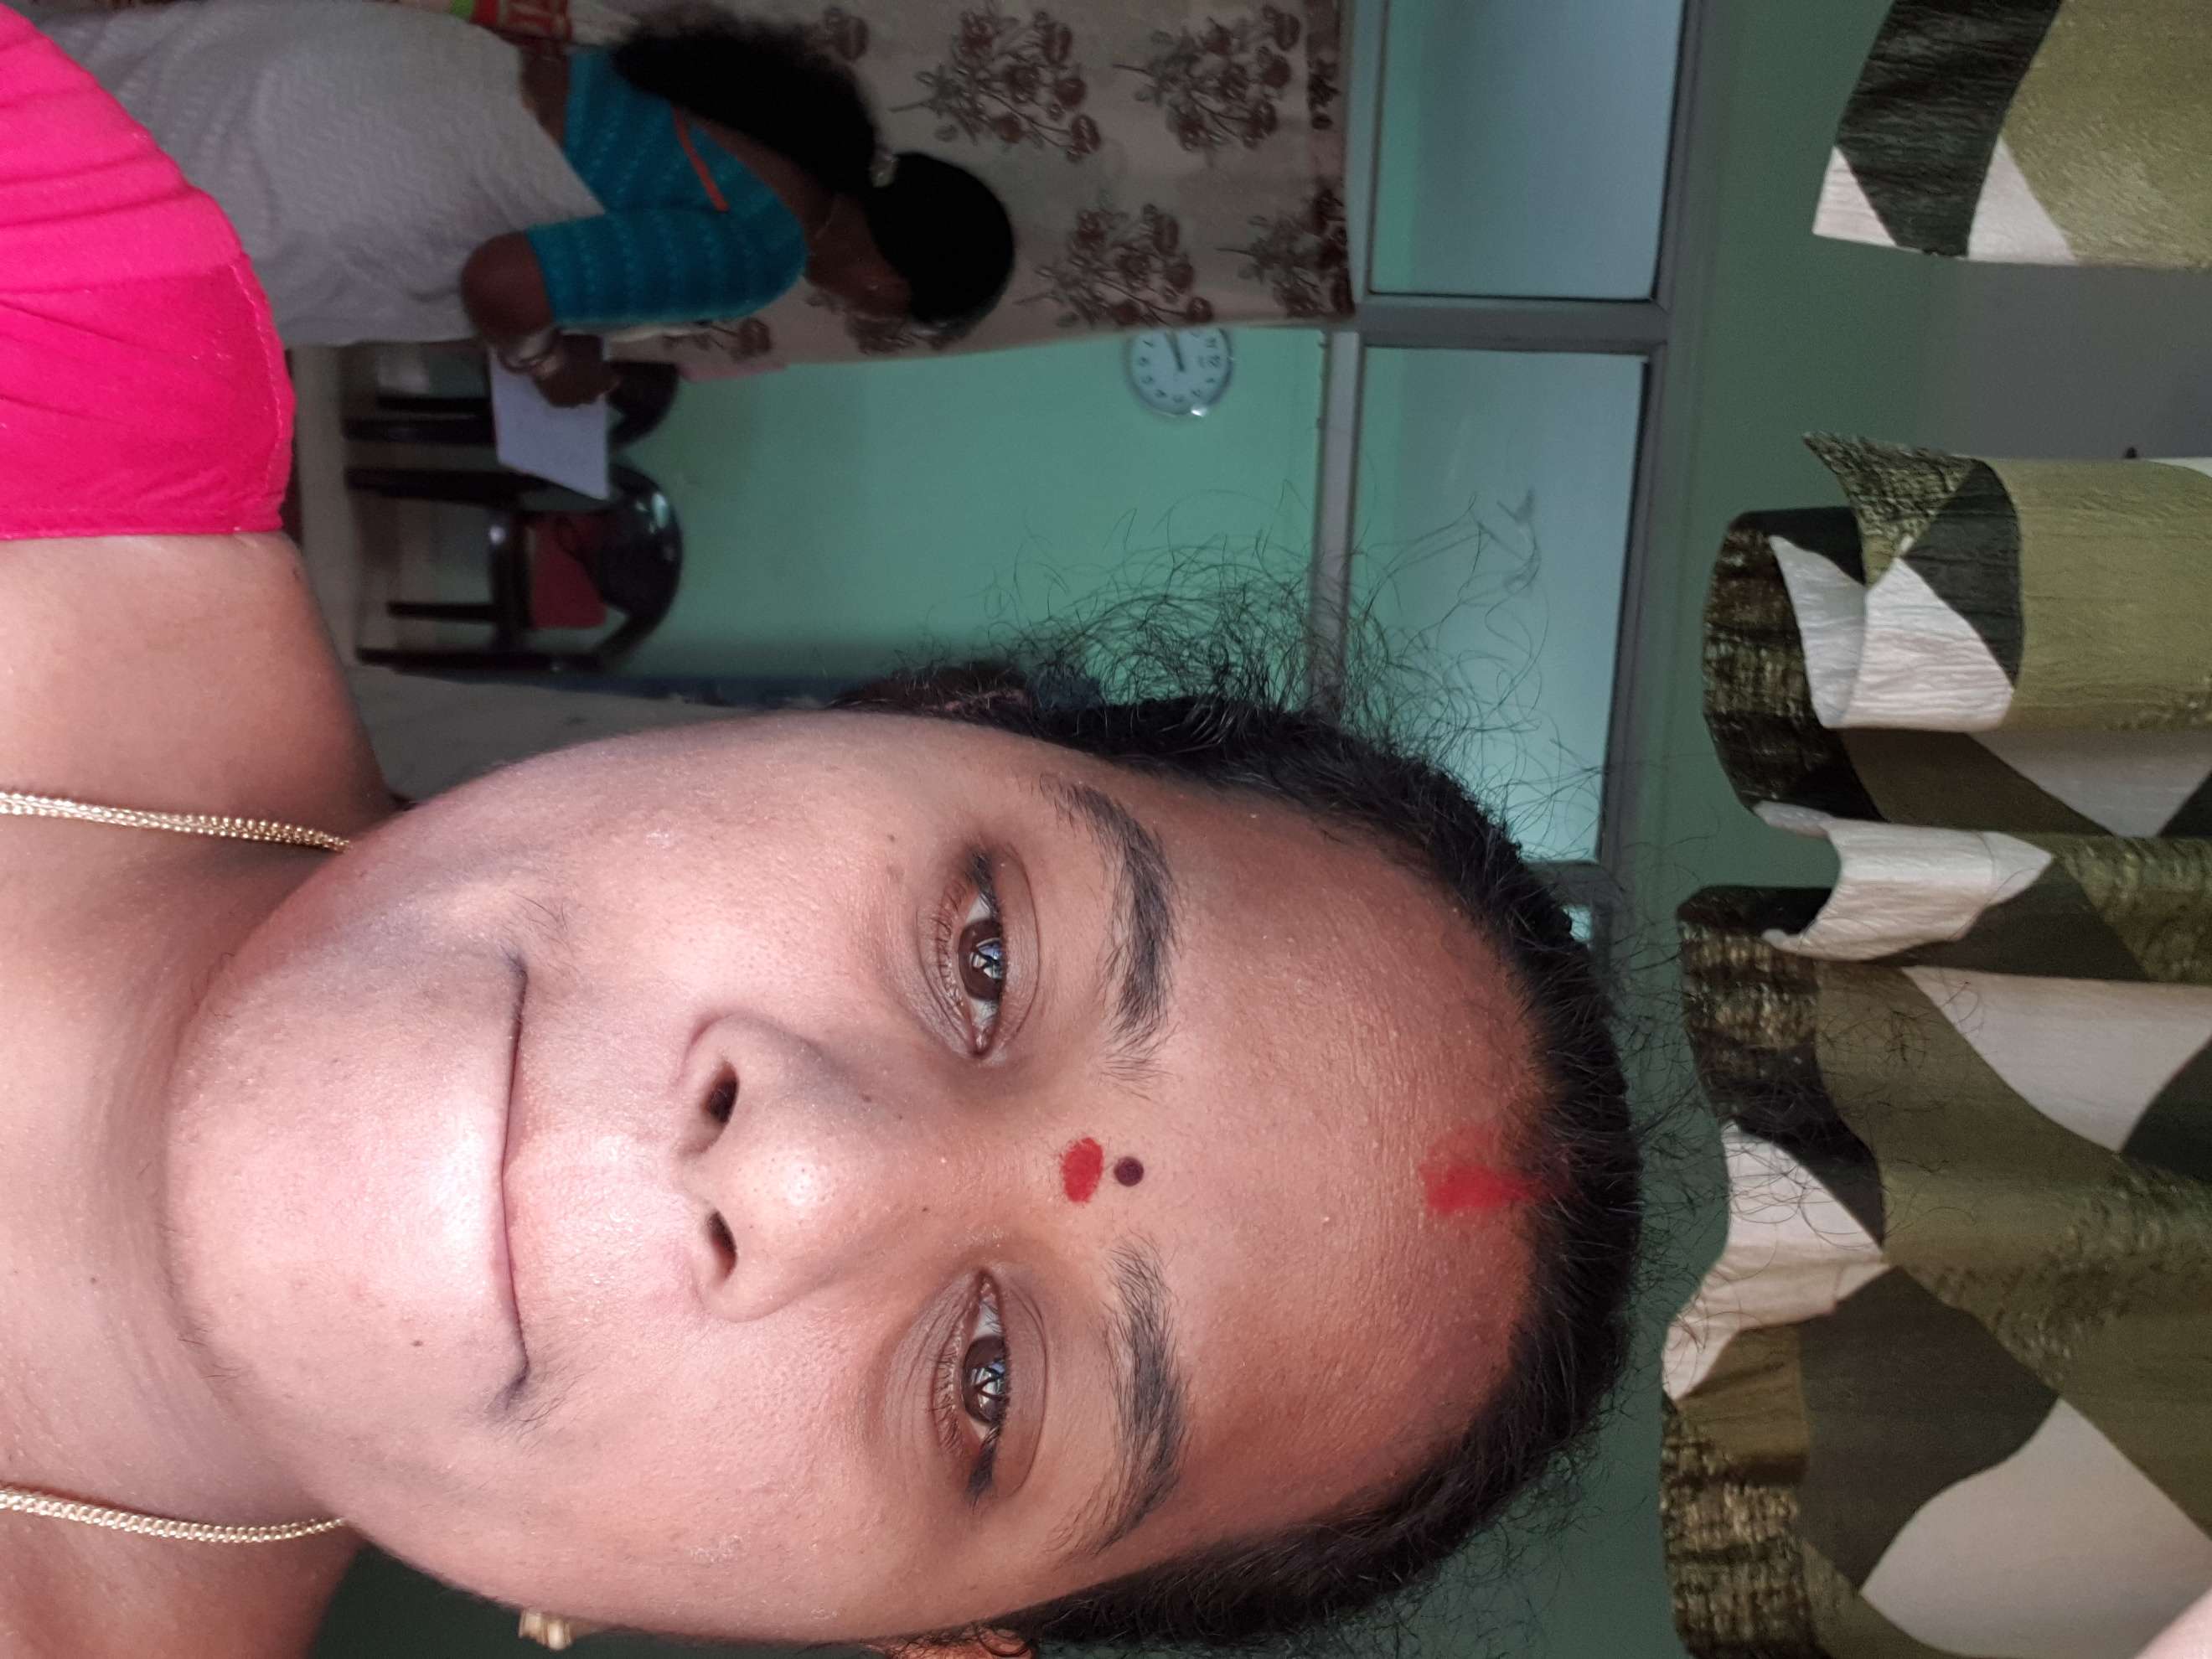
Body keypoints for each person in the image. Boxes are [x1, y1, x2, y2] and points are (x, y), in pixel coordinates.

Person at [0, 13, 1640, 1657]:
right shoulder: (48, 264)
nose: (797, 1169)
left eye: (989, 1386)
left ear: (925, 1639)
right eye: (986, 957)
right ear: (920, 715)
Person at [19, 1, 1016, 402]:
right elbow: (506, 281)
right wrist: (547, 364)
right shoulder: (763, 252)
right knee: (76, 242)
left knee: (53, 103)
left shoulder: (780, 116)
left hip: (365, 55)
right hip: (349, 165)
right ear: (890, 285)